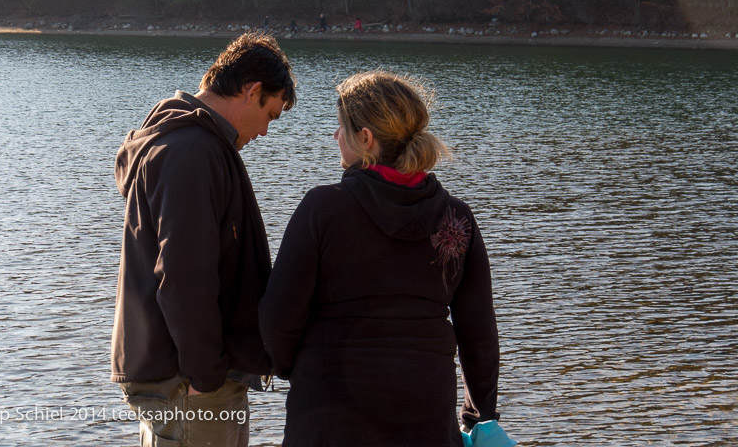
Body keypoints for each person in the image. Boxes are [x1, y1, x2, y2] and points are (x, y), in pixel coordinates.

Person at [259, 71, 502, 446]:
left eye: (341, 128)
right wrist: (479, 417)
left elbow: (277, 319)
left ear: (366, 138)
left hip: (327, 419)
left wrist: (298, 367)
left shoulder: (323, 209)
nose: (335, 136)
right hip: (427, 420)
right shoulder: (457, 219)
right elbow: (479, 335)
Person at [112, 32, 297, 447]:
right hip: (188, 380)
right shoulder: (191, 151)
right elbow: (183, 275)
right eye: (271, 114)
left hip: (186, 375)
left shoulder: (188, 142)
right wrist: (205, 377)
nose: (266, 132)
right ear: (251, 91)